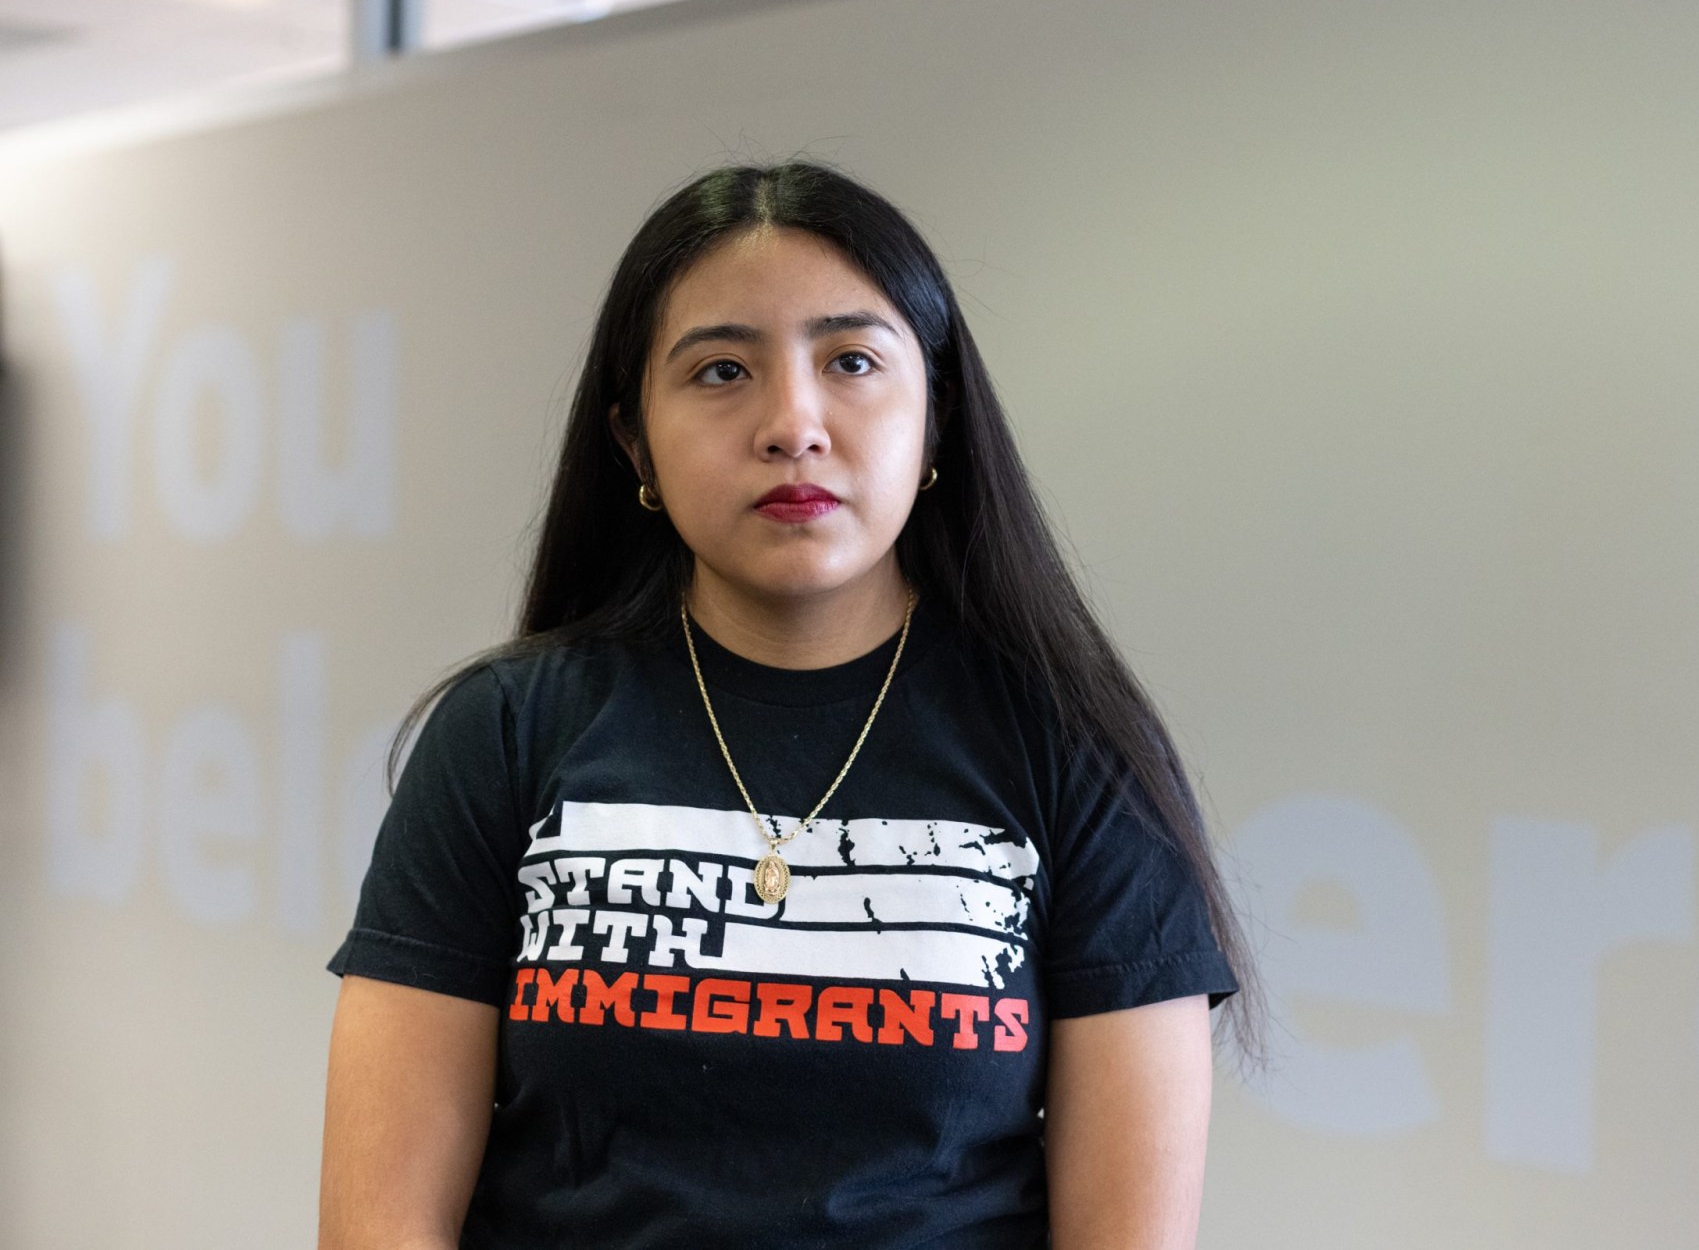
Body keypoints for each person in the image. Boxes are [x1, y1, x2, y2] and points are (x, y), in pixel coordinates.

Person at [318, 160, 1259, 1250]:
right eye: (721, 370)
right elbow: (380, 1223)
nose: (792, 423)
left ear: (937, 417)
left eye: (852, 360)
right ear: (634, 442)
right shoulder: (506, 731)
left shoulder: (1069, 751)